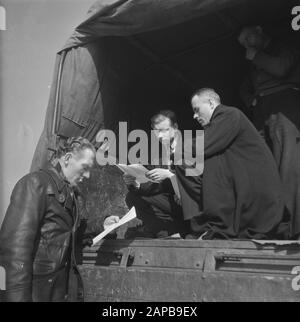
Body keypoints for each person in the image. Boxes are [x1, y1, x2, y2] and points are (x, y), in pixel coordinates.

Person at [0, 137, 119, 302]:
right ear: (67, 159)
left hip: (57, 289)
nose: (87, 175)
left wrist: (102, 225)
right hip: (36, 291)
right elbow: (15, 251)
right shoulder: (35, 184)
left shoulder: (70, 194)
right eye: (84, 167)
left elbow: (69, 234)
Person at [175, 88, 289, 239]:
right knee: (188, 161)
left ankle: (214, 218)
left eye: (197, 110)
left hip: (257, 197)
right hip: (242, 190)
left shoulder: (229, 114)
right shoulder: (220, 124)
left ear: (210, 103)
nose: (195, 116)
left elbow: (205, 145)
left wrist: (179, 146)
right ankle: (209, 215)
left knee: (192, 156)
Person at [238, 26, 300, 238]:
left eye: (249, 38)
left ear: (260, 31)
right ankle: (273, 223)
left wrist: (256, 55)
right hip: (263, 108)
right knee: (265, 164)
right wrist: (252, 101)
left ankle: (292, 225)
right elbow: (245, 87)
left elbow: (281, 68)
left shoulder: (284, 45)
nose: (247, 44)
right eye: (243, 43)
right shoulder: (252, 60)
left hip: (285, 103)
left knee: (288, 163)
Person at [124, 110, 188, 239]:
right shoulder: (159, 155)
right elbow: (153, 187)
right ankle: (166, 232)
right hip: (172, 203)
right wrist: (135, 183)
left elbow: (196, 182)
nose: (160, 135)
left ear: (175, 128)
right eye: (156, 131)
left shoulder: (189, 147)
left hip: (190, 202)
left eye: (164, 130)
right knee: (132, 197)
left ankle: (181, 230)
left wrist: (170, 175)